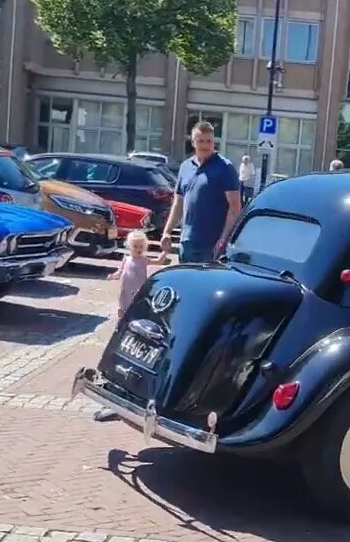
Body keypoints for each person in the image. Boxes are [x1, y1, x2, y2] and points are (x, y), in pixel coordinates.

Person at [156, 122, 241, 265]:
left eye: (209, 141)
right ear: (193, 142)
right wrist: (167, 232)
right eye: (201, 141)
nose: (205, 145)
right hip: (187, 242)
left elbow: (235, 207)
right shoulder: (185, 167)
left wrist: (223, 240)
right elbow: (178, 204)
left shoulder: (225, 168)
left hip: (212, 245)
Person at [94, 231, 152, 422]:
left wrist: (164, 253)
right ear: (129, 246)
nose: (137, 250)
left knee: (131, 320)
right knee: (123, 316)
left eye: (140, 247)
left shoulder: (144, 260)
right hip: (125, 295)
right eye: (134, 246)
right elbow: (121, 271)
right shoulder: (126, 258)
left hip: (137, 295)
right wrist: (114, 274)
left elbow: (160, 261)